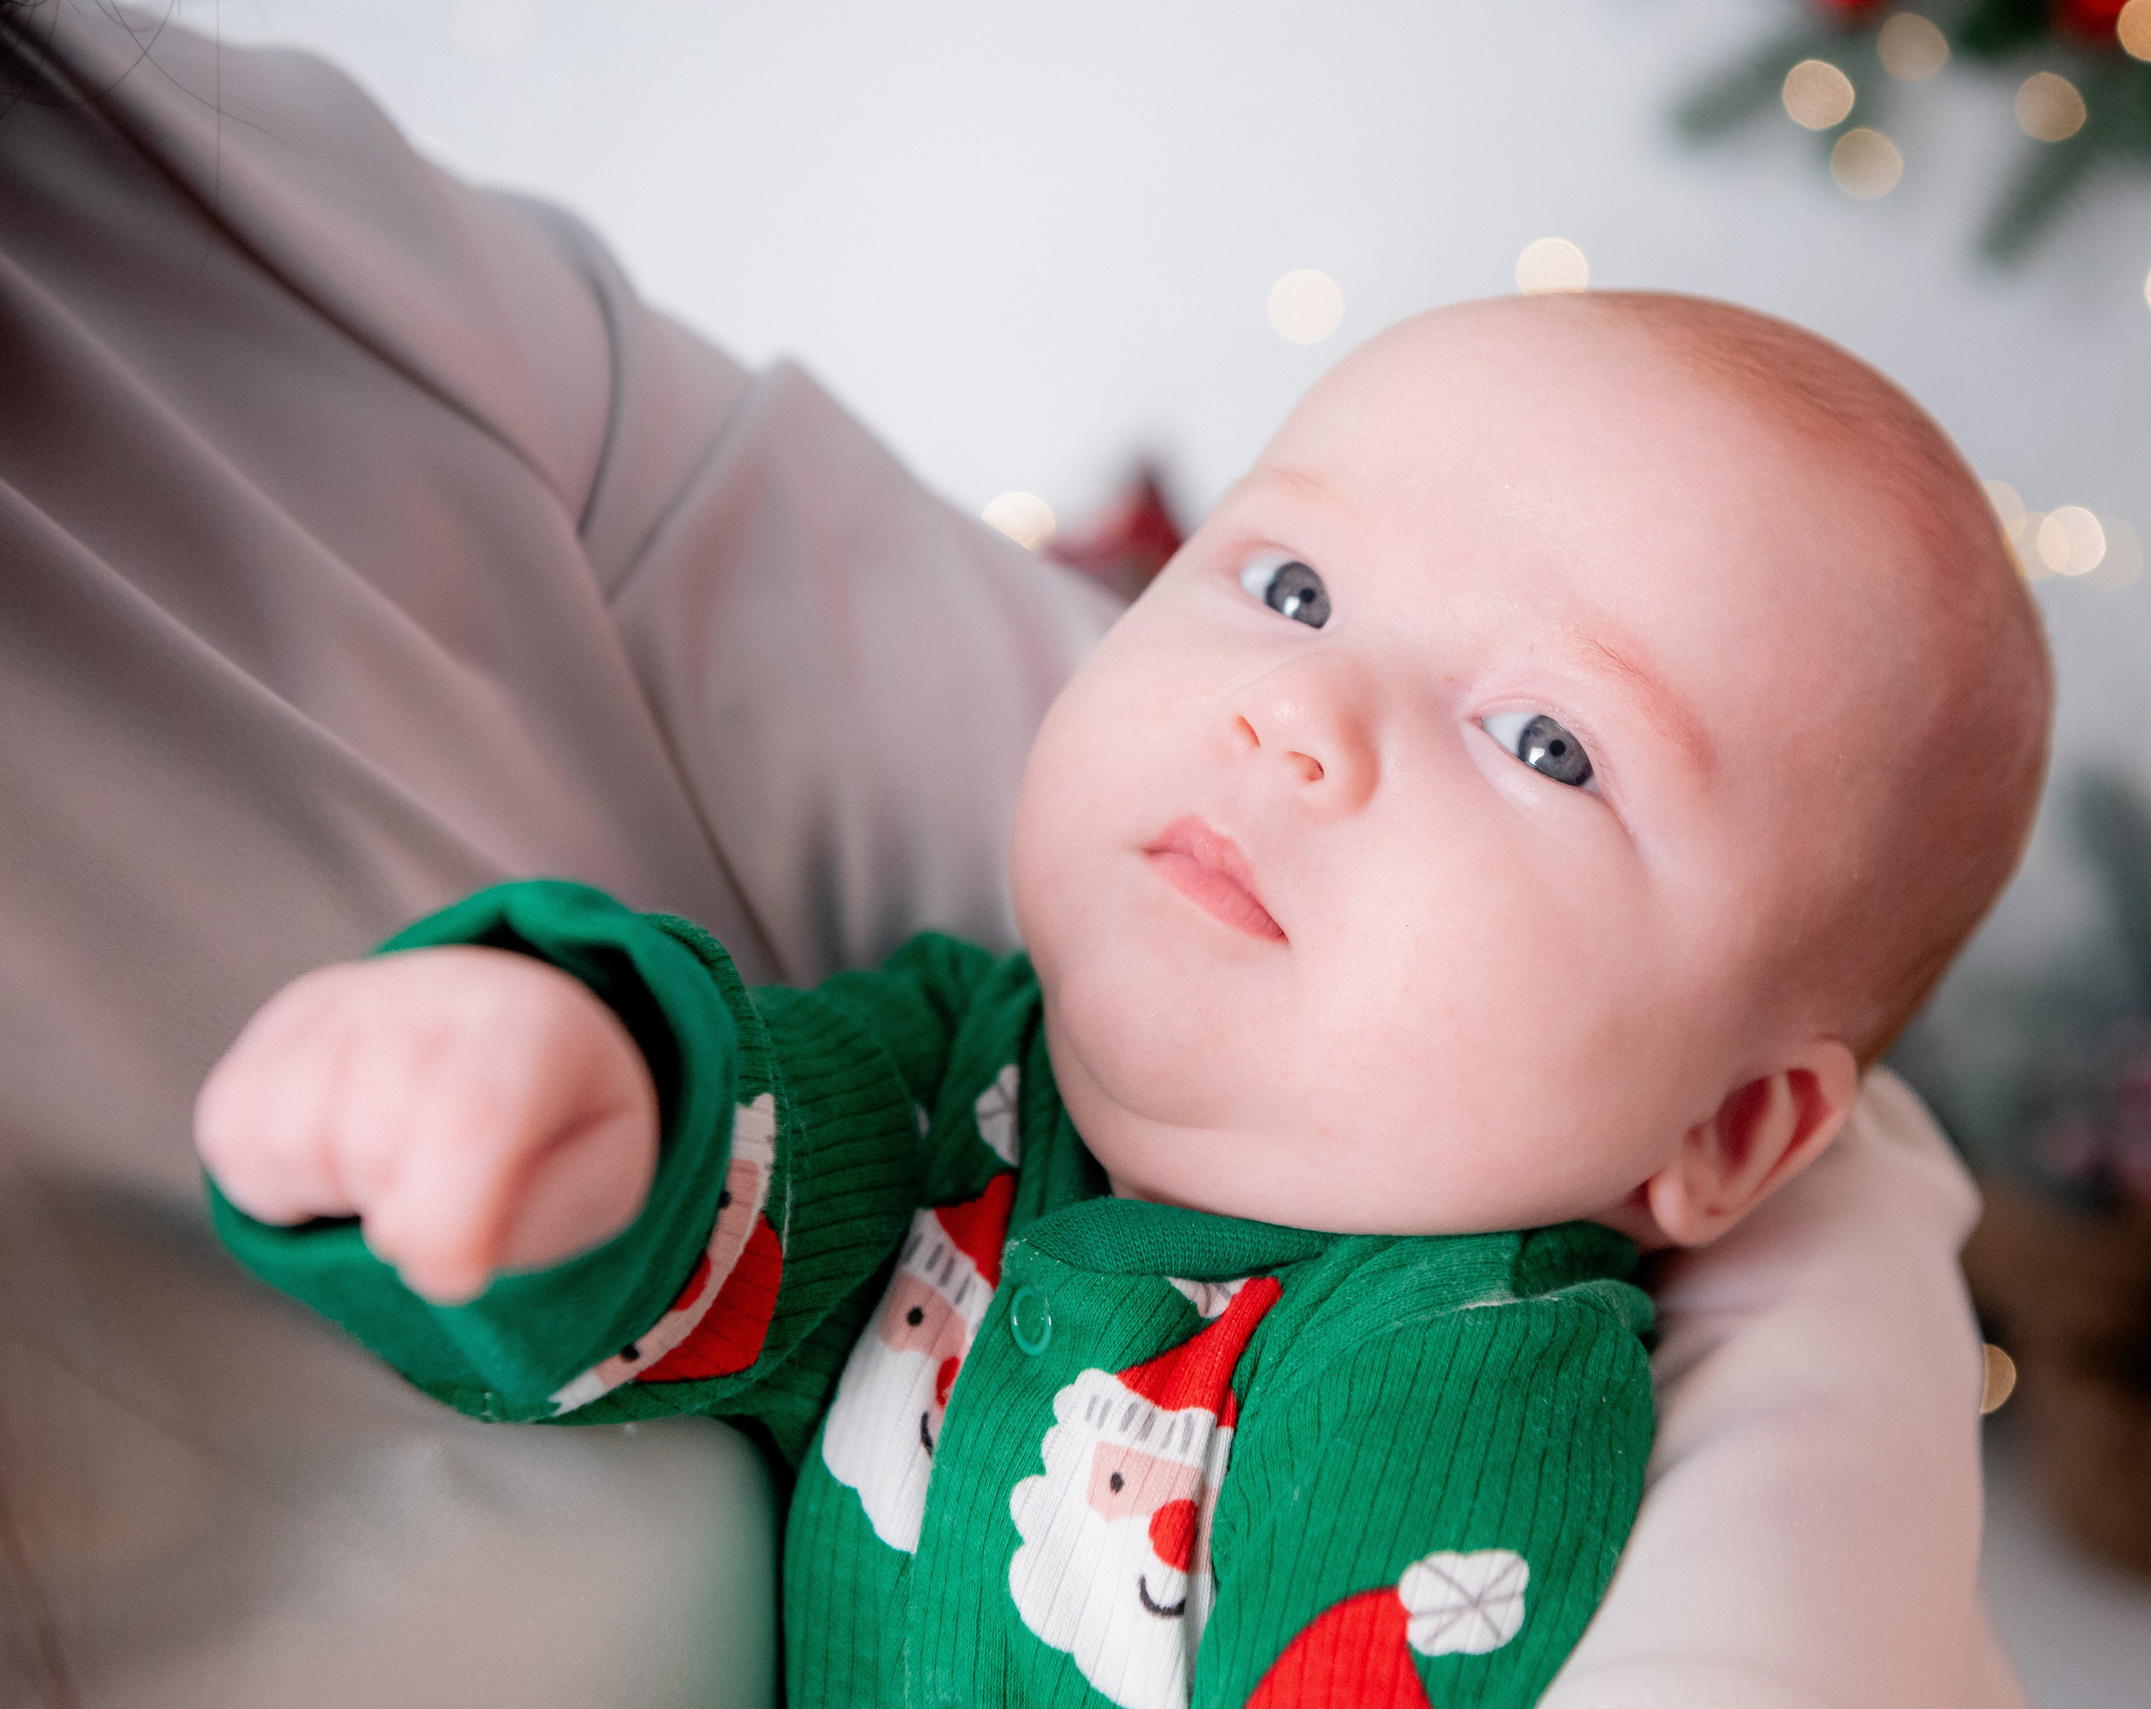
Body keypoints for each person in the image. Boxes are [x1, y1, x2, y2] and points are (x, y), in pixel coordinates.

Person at [0, 5, 2027, 1706]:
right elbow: (725, 1226)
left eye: (1543, 740)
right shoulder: (965, 1072)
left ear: (1737, 1135)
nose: (1293, 720)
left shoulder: (1455, 1371)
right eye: (1294, 584)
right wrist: (551, 1096)